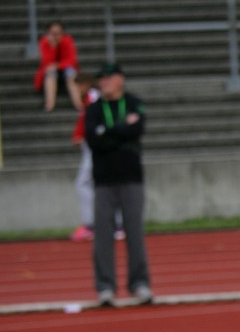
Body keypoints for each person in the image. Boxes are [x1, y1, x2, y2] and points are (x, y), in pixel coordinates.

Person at [85, 62, 152, 306]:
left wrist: (109, 132)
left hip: (132, 178)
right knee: (103, 235)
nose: (103, 83)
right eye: (100, 79)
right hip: (104, 180)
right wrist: (122, 129)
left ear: (119, 79)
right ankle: (105, 287)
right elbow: (94, 139)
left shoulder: (133, 102)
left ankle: (140, 283)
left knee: (134, 233)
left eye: (107, 78)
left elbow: (138, 129)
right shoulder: (93, 109)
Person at [69, 72, 98, 241]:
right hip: (91, 145)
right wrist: (78, 135)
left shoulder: (93, 98)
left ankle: (90, 224)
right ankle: (111, 223)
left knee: (83, 183)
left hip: (94, 146)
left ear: (86, 84)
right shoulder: (89, 98)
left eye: (78, 86)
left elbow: (88, 120)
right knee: (96, 183)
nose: (77, 90)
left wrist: (82, 135)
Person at [34, 20, 81, 112]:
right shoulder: (44, 42)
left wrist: (57, 66)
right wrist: (52, 47)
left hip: (65, 69)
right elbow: (46, 62)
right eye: (53, 33)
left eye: (58, 33)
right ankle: (50, 104)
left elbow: (71, 60)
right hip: (51, 72)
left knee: (70, 73)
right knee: (50, 74)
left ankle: (78, 104)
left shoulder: (68, 40)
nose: (56, 36)